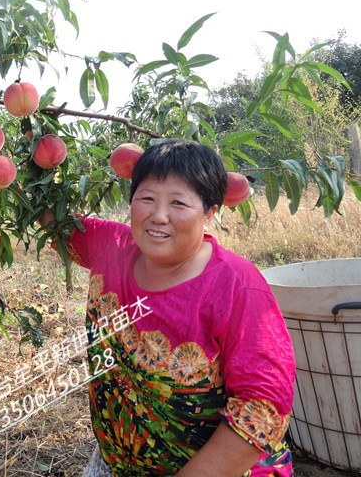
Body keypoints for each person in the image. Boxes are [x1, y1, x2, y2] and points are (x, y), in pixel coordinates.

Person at [45, 138, 295, 477]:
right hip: (120, 462)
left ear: (209, 215)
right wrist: (37, 138)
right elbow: (52, 219)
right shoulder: (112, 246)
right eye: (146, 198)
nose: (158, 216)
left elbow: (262, 408)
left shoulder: (236, 286)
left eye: (179, 202)